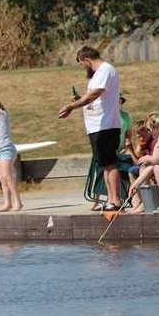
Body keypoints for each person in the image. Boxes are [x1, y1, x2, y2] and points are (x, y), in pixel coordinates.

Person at [58, 46, 122, 211]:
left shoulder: (105, 70)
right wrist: (79, 101)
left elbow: (96, 93)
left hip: (106, 125)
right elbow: (95, 99)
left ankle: (115, 200)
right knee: (104, 164)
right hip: (96, 126)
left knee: (109, 163)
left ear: (86, 60)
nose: (83, 68)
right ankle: (111, 199)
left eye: (82, 64)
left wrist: (72, 105)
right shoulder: (97, 75)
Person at [128, 113, 159, 213]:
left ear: (157, 127)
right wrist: (136, 183)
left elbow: (157, 160)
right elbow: (148, 162)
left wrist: (148, 158)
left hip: (156, 167)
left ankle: (147, 202)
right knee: (142, 169)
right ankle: (139, 202)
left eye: (150, 130)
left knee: (154, 169)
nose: (151, 133)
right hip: (153, 167)